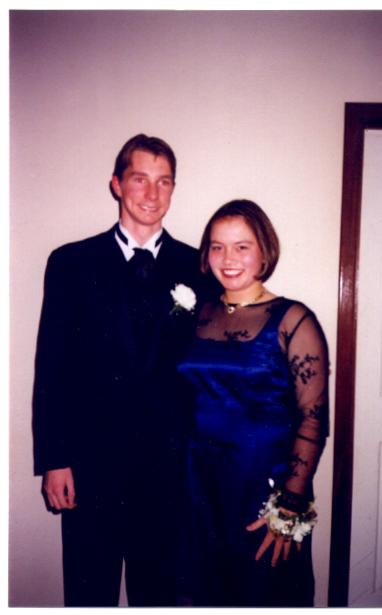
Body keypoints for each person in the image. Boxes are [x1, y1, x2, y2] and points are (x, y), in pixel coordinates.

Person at [32, 134, 215, 606]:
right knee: (88, 594)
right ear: (116, 184)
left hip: (168, 471)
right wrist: (54, 459)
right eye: (140, 179)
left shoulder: (198, 268)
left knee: (160, 596)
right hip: (90, 467)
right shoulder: (71, 263)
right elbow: (51, 367)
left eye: (164, 181)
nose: (152, 193)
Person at [177, 199, 329, 607]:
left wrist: (290, 505)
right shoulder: (198, 314)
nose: (228, 259)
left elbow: (313, 420)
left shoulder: (294, 320)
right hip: (198, 484)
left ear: (264, 251)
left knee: (261, 592)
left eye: (242, 247)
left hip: (261, 487)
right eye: (218, 247)